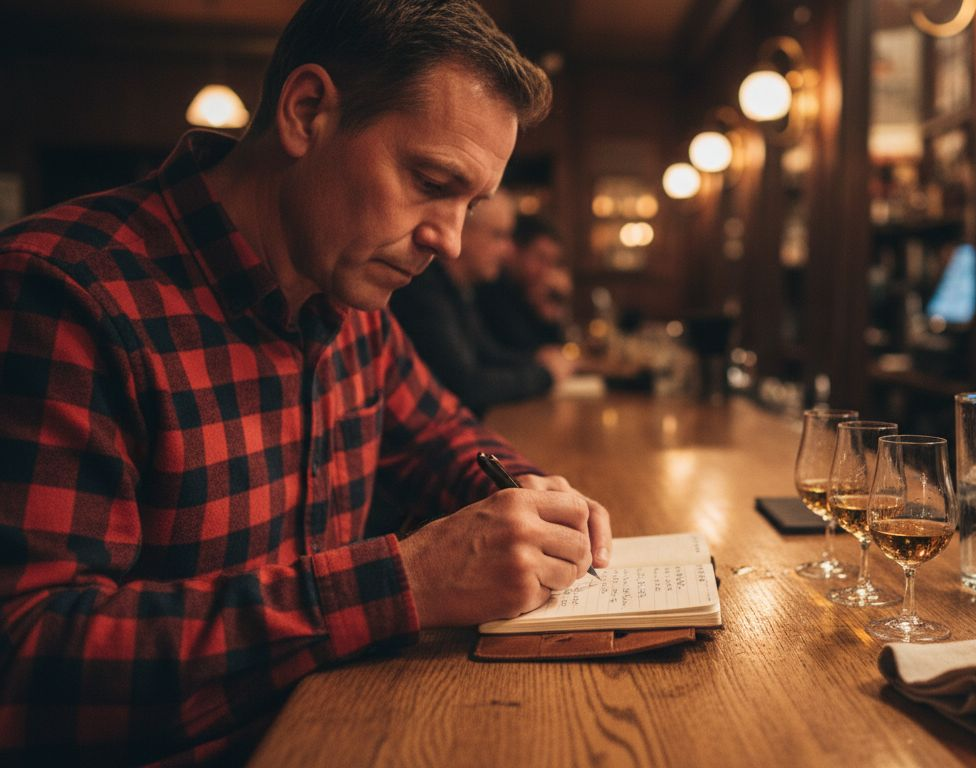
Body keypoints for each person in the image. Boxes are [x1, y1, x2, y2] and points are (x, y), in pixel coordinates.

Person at [0, 1, 610, 764]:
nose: (449, 241)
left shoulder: (350, 300)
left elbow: (443, 435)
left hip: (332, 731)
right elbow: (27, 659)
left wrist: (527, 492)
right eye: (429, 181)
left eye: (470, 207)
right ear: (307, 111)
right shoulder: (62, 293)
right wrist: (405, 583)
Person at [389, 194, 575, 414]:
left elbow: (487, 355)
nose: (508, 251)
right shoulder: (422, 288)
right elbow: (464, 386)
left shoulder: (458, 289)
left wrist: (539, 360)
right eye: (498, 236)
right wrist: (545, 374)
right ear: (460, 231)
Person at [476, 213, 569, 354]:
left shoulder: (530, 292)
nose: (546, 270)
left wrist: (548, 311)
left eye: (552, 262)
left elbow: (554, 352)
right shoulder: (491, 286)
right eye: (540, 257)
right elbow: (525, 354)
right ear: (515, 251)